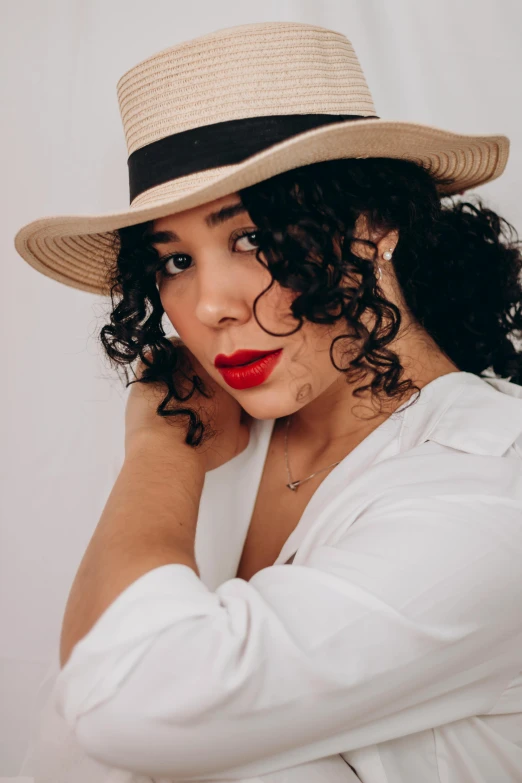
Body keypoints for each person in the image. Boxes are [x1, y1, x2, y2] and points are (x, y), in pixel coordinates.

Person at [13, 20, 522, 783]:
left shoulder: (493, 481)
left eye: (250, 237)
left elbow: (127, 705)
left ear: (375, 222)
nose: (208, 304)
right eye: (175, 260)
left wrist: (158, 450)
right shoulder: (222, 441)